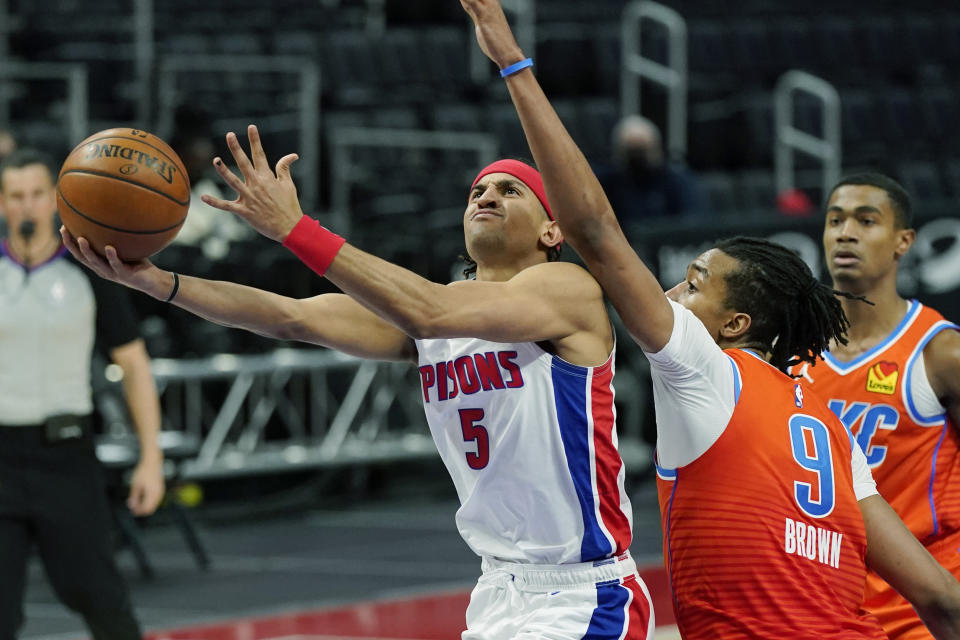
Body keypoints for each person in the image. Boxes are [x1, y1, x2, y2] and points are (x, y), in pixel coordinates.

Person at [456, 0, 960, 637]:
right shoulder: (831, 432)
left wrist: (514, 66)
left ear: (736, 325)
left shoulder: (703, 369)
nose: (668, 293)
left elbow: (595, 231)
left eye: (692, 285)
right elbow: (942, 597)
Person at [63, 138, 655, 636]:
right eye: (478, 190)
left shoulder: (565, 288)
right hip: (498, 586)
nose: (487, 196)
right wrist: (158, 281)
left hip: (583, 591)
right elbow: (287, 315)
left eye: (509, 190)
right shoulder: (437, 314)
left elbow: (431, 311)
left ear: (552, 228)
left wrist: (297, 230)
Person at [0, 149, 164, 640]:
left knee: (99, 597)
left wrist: (151, 457)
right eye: (15, 196)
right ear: (1, 202)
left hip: (66, 457)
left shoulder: (91, 268)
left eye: (36, 195)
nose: (27, 206)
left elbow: (132, 362)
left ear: (54, 199)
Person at [793, 173, 960, 640]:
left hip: (923, 605)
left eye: (867, 221)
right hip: (827, 598)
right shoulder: (791, 356)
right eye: (835, 220)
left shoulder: (940, 353)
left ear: (903, 240)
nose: (846, 232)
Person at [594, 115, 706, 223]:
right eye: (631, 152)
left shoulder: (677, 181)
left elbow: (691, 223)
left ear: (657, 150)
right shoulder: (604, 183)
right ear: (617, 153)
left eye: (642, 151)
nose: (637, 161)